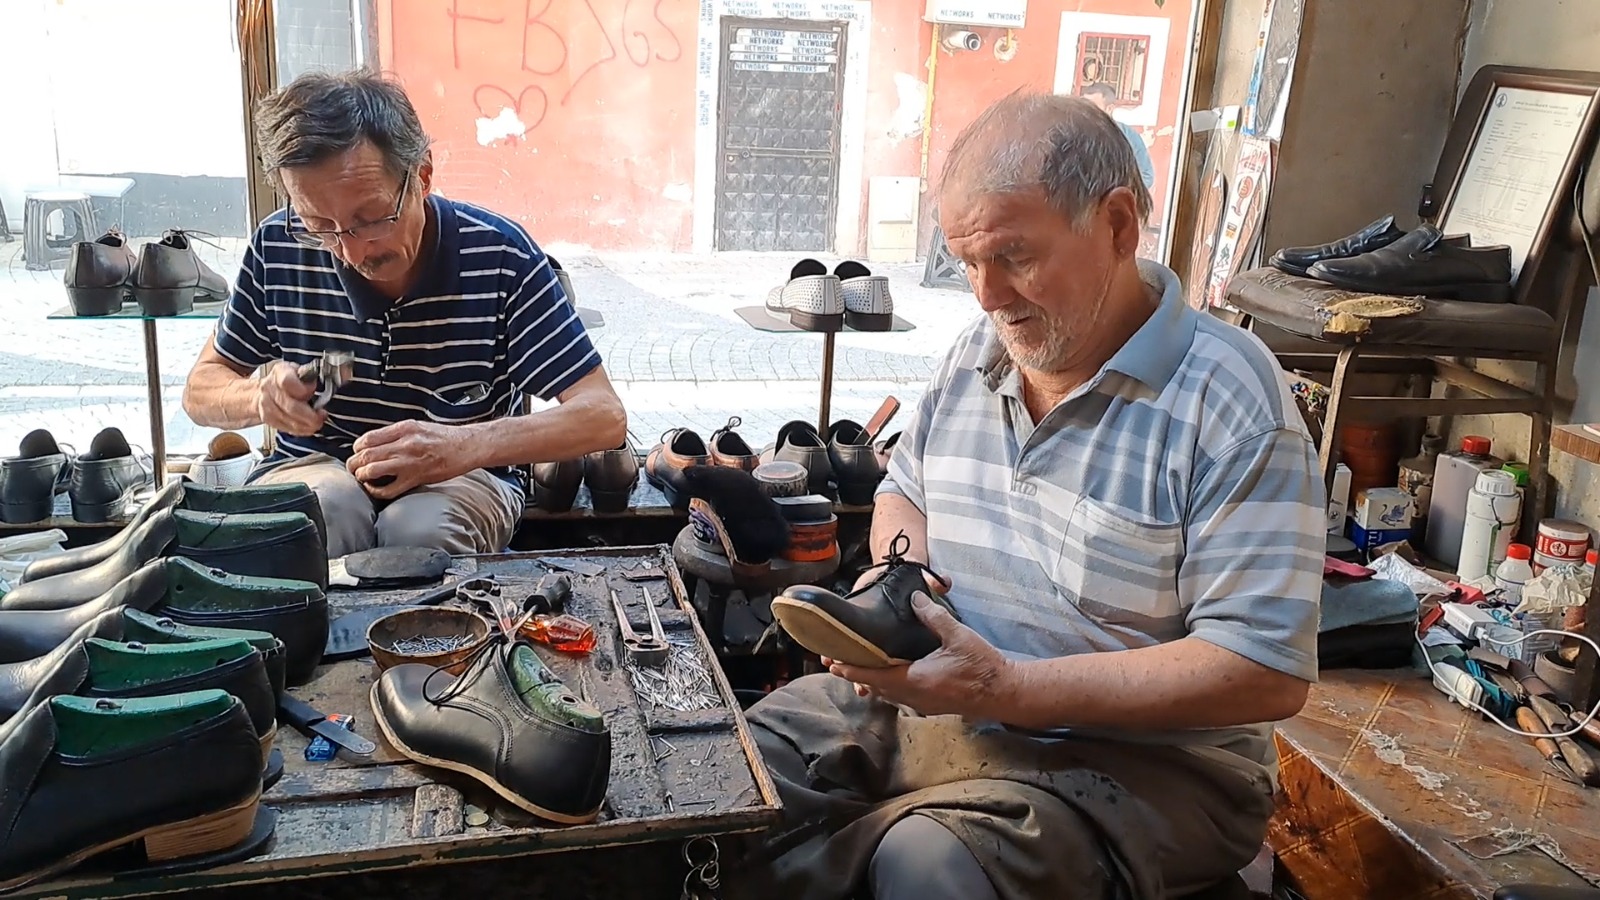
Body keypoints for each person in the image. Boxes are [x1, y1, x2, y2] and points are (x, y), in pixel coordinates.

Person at [734, 93, 1323, 899]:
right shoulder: (979, 353)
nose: (986, 293)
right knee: (731, 772)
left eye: (1014, 256)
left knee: (931, 866)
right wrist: (898, 585)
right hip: (958, 713)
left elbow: (1263, 670)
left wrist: (1008, 688)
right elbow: (907, 494)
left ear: (1118, 226)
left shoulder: (1232, 401)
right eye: (966, 261)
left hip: (1150, 765)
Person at [182, 71, 625, 557]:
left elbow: (601, 416)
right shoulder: (277, 244)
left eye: (371, 219)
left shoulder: (501, 255)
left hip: (463, 475)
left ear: (423, 176)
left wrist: (465, 445)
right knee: (324, 515)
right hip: (314, 465)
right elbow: (201, 390)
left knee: (420, 535)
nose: (350, 251)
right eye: (319, 226)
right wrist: (256, 397)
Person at [1082, 82, 1156, 189]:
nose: (1087, 112)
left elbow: (1146, 176)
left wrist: (1119, 191)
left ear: (1109, 109)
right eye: (1084, 106)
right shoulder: (1075, 133)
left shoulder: (1128, 137)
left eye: (1093, 107)